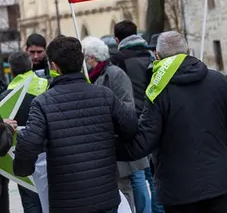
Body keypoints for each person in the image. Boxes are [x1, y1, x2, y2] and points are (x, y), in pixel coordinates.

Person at [116, 31, 227, 212]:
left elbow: (144, 142)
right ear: (188, 51)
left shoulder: (158, 90)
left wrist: (110, 146)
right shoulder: (217, 80)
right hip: (216, 181)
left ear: (157, 56)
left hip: (178, 188)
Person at [13, 36, 138, 213]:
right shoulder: (105, 95)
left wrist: (22, 169)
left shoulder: (43, 102)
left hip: (66, 201)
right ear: (81, 62)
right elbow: (131, 126)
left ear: (54, 66)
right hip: (105, 196)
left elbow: (29, 144)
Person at [84, 36, 152, 213]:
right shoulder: (91, 77)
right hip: (108, 141)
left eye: (85, 57)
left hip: (122, 137)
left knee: (129, 184)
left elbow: (127, 105)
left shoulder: (114, 73)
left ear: (92, 58)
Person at [111, 20, 155, 213]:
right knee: (153, 174)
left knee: (137, 174)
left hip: (131, 120)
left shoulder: (118, 59)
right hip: (153, 117)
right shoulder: (150, 54)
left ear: (116, 39)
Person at [0, 52, 48, 213]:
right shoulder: (47, 87)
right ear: (32, 65)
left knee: (31, 204)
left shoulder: (5, 99)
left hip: (21, 158)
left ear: (11, 71)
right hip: (48, 155)